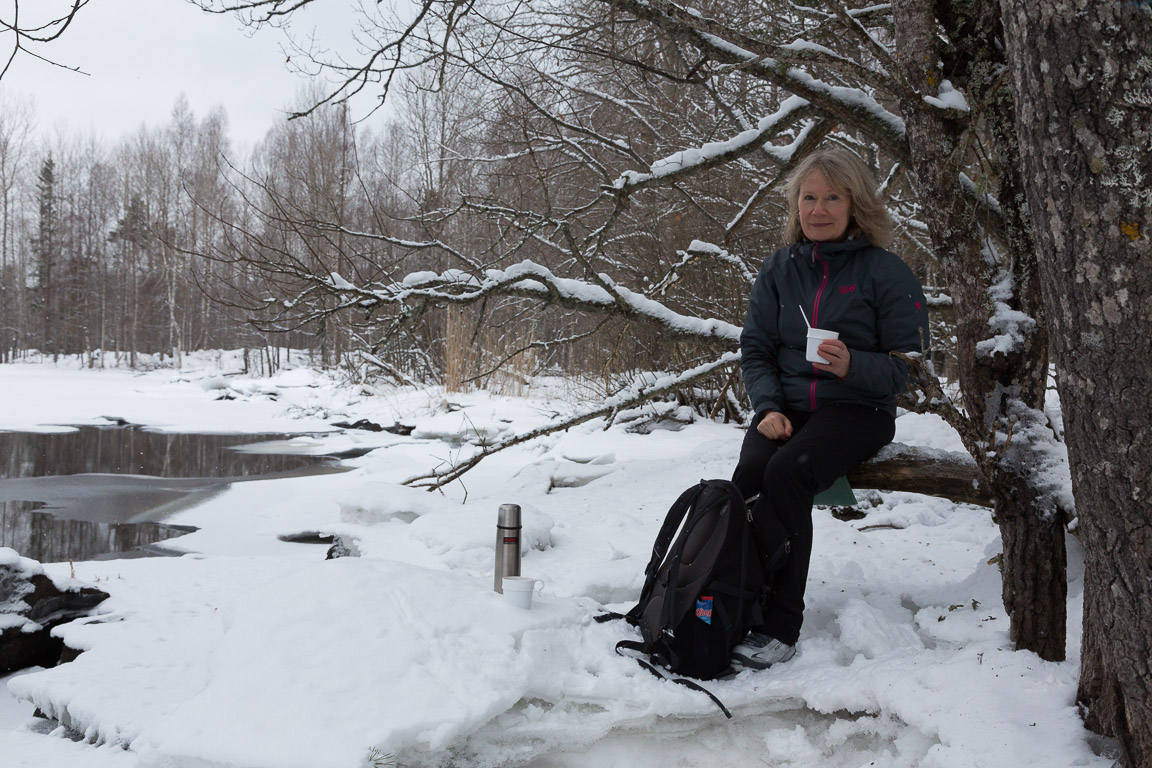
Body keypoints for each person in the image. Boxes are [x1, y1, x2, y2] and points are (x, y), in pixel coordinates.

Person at [729, 147, 929, 670]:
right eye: (808, 197)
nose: (818, 209)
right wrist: (767, 406)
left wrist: (851, 367)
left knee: (789, 472)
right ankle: (735, 602)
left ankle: (780, 626)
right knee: (749, 473)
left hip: (857, 409)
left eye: (832, 198)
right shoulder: (778, 269)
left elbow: (907, 369)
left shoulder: (887, 273)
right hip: (788, 405)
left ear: (855, 204)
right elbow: (756, 349)